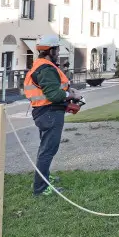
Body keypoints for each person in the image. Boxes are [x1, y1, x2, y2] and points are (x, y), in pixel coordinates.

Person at [23, 34, 82, 196]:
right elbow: (54, 95)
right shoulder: (46, 69)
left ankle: (44, 178)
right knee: (48, 150)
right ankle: (41, 188)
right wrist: (72, 96)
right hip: (49, 113)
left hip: (45, 112)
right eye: (57, 49)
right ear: (51, 50)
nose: (58, 52)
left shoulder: (41, 66)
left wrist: (69, 91)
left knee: (45, 149)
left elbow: (53, 90)